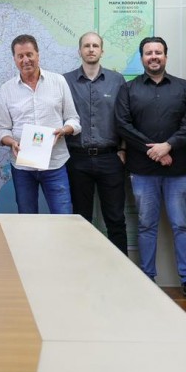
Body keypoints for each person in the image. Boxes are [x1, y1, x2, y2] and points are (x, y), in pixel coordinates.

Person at [115, 36, 186, 300]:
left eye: (158, 52)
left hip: (177, 171)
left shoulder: (185, 88)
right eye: (148, 53)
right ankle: (147, 279)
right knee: (145, 226)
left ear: (166, 56)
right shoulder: (128, 90)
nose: (153, 57)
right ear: (142, 57)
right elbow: (122, 125)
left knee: (181, 227)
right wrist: (154, 150)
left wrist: (168, 146)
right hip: (142, 171)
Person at [0, 34, 81, 214]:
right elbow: (3, 128)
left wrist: (65, 130)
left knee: (63, 216)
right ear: (14, 59)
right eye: (20, 56)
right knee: (27, 219)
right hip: (22, 167)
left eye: (29, 54)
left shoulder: (58, 81)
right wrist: (11, 142)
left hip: (55, 163)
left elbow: (74, 119)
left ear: (38, 55)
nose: (25, 60)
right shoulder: (6, 89)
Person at [64, 33, 128, 254]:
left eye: (95, 46)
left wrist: (122, 149)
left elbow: (124, 117)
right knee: (80, 220)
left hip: (110, 158)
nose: (91, 49)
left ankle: (123, 273)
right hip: (77, 158)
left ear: (102, 51)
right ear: (79, 50)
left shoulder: (116, 80)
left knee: (115, 219)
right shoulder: (65, 81)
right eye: (86, 46)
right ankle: (82, 270)